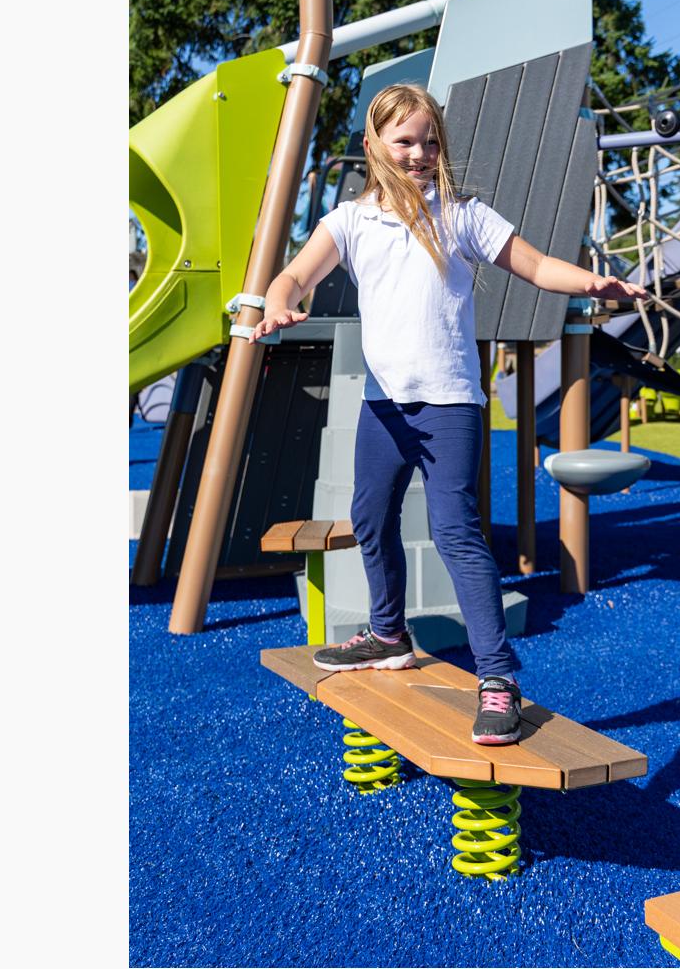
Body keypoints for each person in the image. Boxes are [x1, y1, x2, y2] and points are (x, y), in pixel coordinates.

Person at [251, 83, 648, 745]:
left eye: (430, 142)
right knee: (370, 519)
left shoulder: (462, 215)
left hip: (450, 402)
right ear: (373, 144)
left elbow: (535, 265)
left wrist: (590, 282)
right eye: (404, 141)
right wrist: (278, 301)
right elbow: (294, 276)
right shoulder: (350, 221)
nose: (419, 153)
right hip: (384, 405)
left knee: (456, 532)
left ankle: (497, 679)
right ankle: (388, 634)